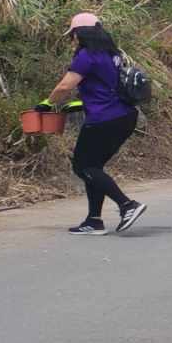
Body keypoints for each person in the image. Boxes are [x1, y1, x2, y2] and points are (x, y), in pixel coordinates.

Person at [41, 12, 146, 235]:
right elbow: (104, 87)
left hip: (104, 119)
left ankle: (127, 205)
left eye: (73, 35)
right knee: (93, 167)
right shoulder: (113, 54)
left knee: (83, 166)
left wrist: (47, 103)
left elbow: (64, 87)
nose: (73, 40)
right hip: (124, 116)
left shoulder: (86, 55)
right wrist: (79, 104)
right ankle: (94, 220)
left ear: (80, 34)